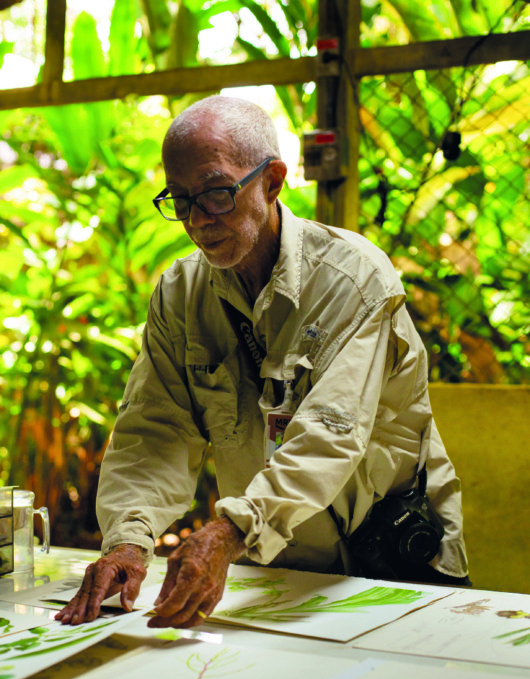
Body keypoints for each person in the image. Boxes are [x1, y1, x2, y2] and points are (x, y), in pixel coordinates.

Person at [56, 95, 469, 629]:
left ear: (272, 181)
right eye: (180, 200)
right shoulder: (180, 294)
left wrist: (228, 533)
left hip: (392, 563)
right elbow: (154, 432)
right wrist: (129, 542)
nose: (197, 221)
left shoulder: (355, 280)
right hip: (280, 572)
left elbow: (330, 437)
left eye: (216, 194)